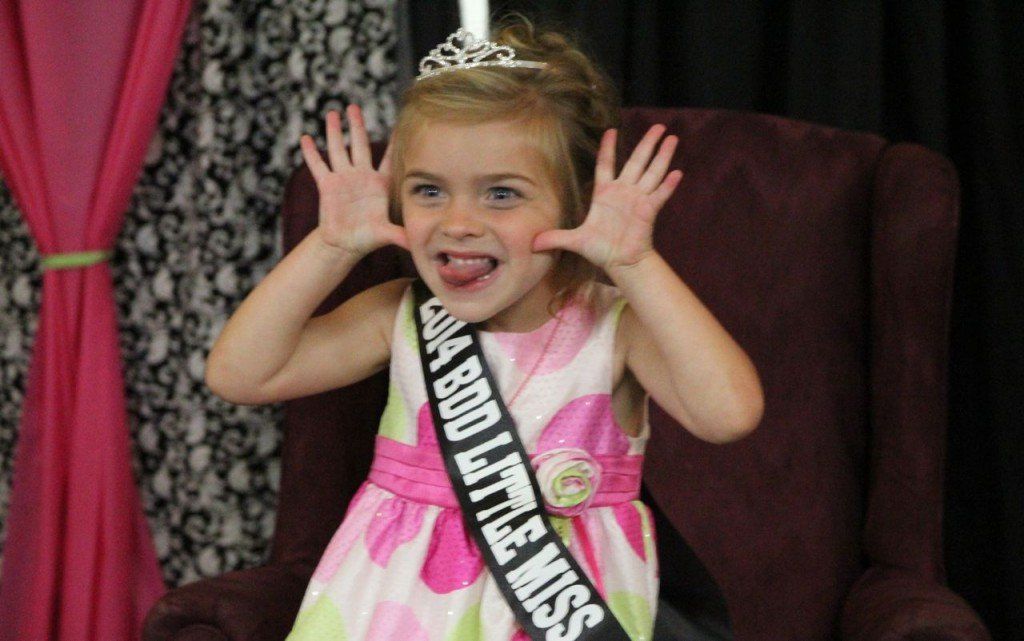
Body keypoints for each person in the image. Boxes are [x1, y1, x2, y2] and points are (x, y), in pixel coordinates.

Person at [205, 16, 764, 641]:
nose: (459, 222)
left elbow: (728, 414)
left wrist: (634, 264)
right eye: (428, 191)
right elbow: (240, 374)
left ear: (575, 205)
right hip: (393, 607)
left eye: (501, 194)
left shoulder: (617, 326)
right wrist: (331, 246)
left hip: (562, 610)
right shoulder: (399, 314)